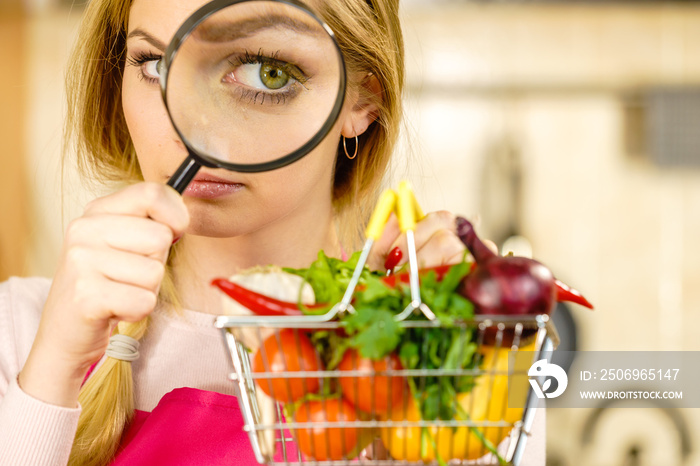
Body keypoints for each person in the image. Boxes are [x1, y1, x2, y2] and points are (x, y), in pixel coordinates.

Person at [0, 0, 545, 464]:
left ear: (363, 102)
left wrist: (456, 372)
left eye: (267, 72)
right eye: (157, 65)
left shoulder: (441, 350)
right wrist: (50, 378)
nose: (197, 129)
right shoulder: (20, 335)